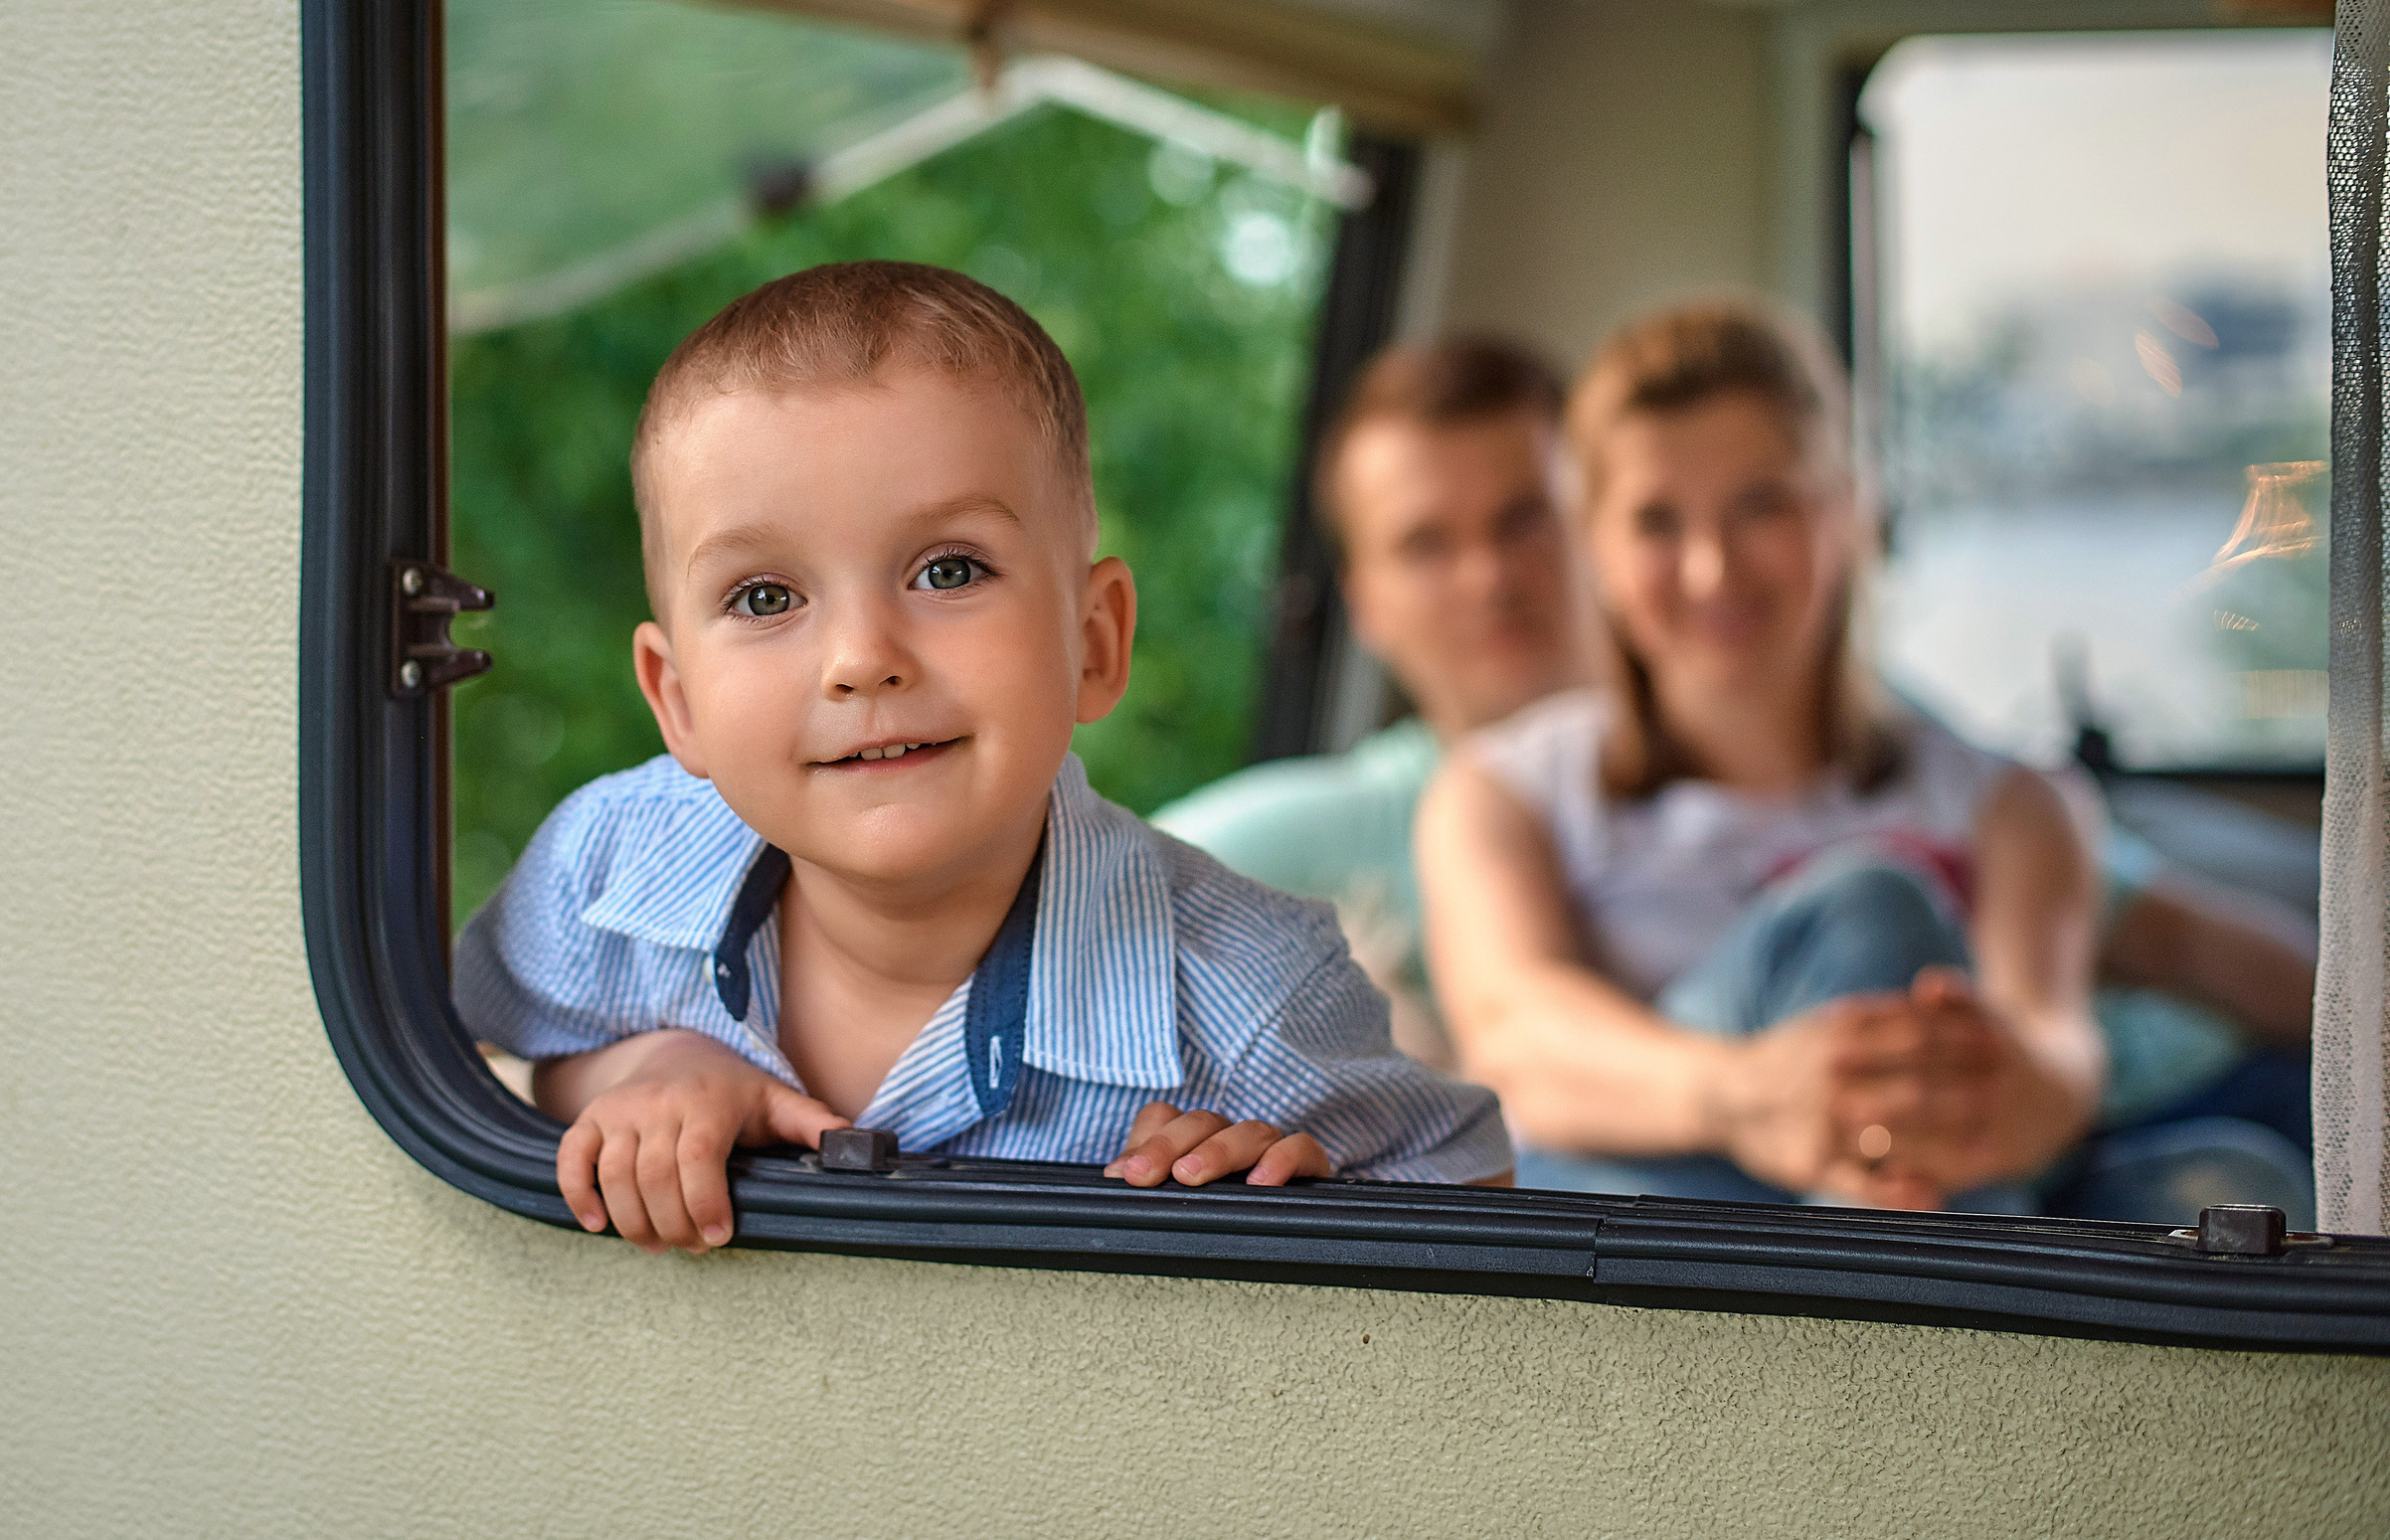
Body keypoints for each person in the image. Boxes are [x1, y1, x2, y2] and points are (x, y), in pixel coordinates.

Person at [453, 261, 1511, 1254]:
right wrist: (639, 1070)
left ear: (1093, 641)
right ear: (675, 698)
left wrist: (1301, 1198)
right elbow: (456, 1066)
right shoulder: (605, 878)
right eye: (765, 596)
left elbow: (1476, 1200)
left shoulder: (1248, 998)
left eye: (948, 569)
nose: (862, 659)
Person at [1414, 300, 2311, 1221]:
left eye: (1761, 504)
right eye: (1656, 522)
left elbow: (2053, 1044)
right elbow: (1514, 1036)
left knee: (2240, 1189)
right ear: (1595, 546)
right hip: (1657, 1203)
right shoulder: (1505, 792)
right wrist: (1753, 1094)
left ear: (1846, 509)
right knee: (1871, 907)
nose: (1713, 568)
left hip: (1957, 1181)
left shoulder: (2012, 805)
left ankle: (1888, 1280)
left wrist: (1999, 1092)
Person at [1153, 338, 1579, 1069]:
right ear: (1364, 605)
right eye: (1426, 544)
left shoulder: (1755, 806)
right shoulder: (1301, 847)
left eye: (1523, 518)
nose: (1489, 575)